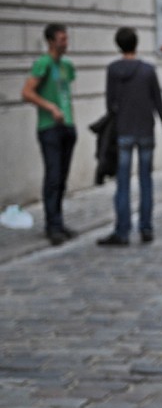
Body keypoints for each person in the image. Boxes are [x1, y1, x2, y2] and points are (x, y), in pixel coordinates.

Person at [97, 27, 162, 246]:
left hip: (123, 130)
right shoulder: (148, 70)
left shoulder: (113, 70)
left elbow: (110, 104)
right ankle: (146, 228)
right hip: (145, 131)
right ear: (136, 43)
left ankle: (122, 231)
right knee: (145, 181)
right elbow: (158, 101)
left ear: (118, 45)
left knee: (122, 183)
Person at [21, 23, 78, 245]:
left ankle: (59, 222)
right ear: (51, 41)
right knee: (53, 176)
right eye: (62, 39)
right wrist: (51, 107)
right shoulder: (42, 63)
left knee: (61, 178)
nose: (66, 42)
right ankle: (51, 225)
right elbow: (26, 92)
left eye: (66, 38)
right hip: (49, 128)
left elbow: (65, 92)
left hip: (67, 127)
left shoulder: (66, 65)